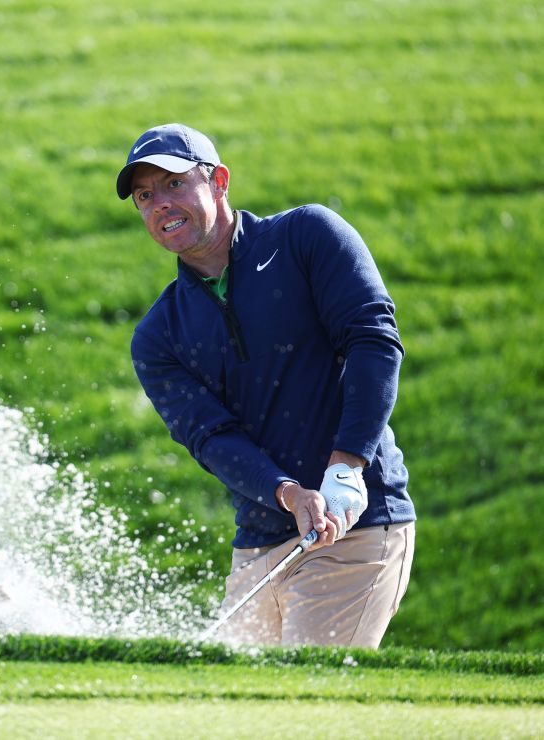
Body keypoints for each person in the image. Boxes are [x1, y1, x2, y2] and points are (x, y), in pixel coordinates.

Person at [117, 123, 416, 648]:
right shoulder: (158, 335)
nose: (160, 204)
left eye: (173, 184)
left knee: (309, 714)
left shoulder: (306, 237)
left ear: (219, 182)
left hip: (354, 527)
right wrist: (287, 493)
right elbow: (212, 438)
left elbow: (374, 341)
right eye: (145, 196)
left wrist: (346, 466)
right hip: (258, 546)